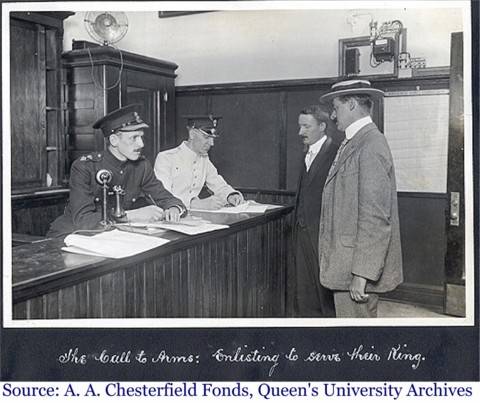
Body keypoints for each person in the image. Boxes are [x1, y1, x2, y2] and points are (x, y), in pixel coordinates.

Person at [318, 79, 403, 318]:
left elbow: (375, 217)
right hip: (348, 262)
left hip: (355, 269)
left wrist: (362, 274)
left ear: (352, 104)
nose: (333, 116)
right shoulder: (356, 141)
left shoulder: (371, 144)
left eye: (336, 108)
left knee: (356, 337)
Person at [47, 104, 186, 237]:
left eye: (141, 137)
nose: (141, 144)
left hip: (112, 237)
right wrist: (130, 216)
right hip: (71, 236)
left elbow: (167, 198)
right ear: (114, 140)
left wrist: (173, 208)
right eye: (134, 138)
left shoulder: (142, 166)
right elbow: (84, 220)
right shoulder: (84, 167)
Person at [293, 105, 340, 317]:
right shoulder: (308, 151)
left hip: (324, 234)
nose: (300, 132)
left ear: (322, 126)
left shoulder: (336, 152)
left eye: (306, 126)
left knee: (325, 295)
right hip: (303, 232)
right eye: (300, 126)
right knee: (306, 290)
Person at [154, 115, 244, 210]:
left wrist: (230, 195)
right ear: (192, 134)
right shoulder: (166, 158)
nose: (211, 143)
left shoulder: (204, 159)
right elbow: (163, 196)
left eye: (213, 138)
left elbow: (218, 184)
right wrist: (193, 204)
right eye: (206, 137)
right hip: (170, 217)